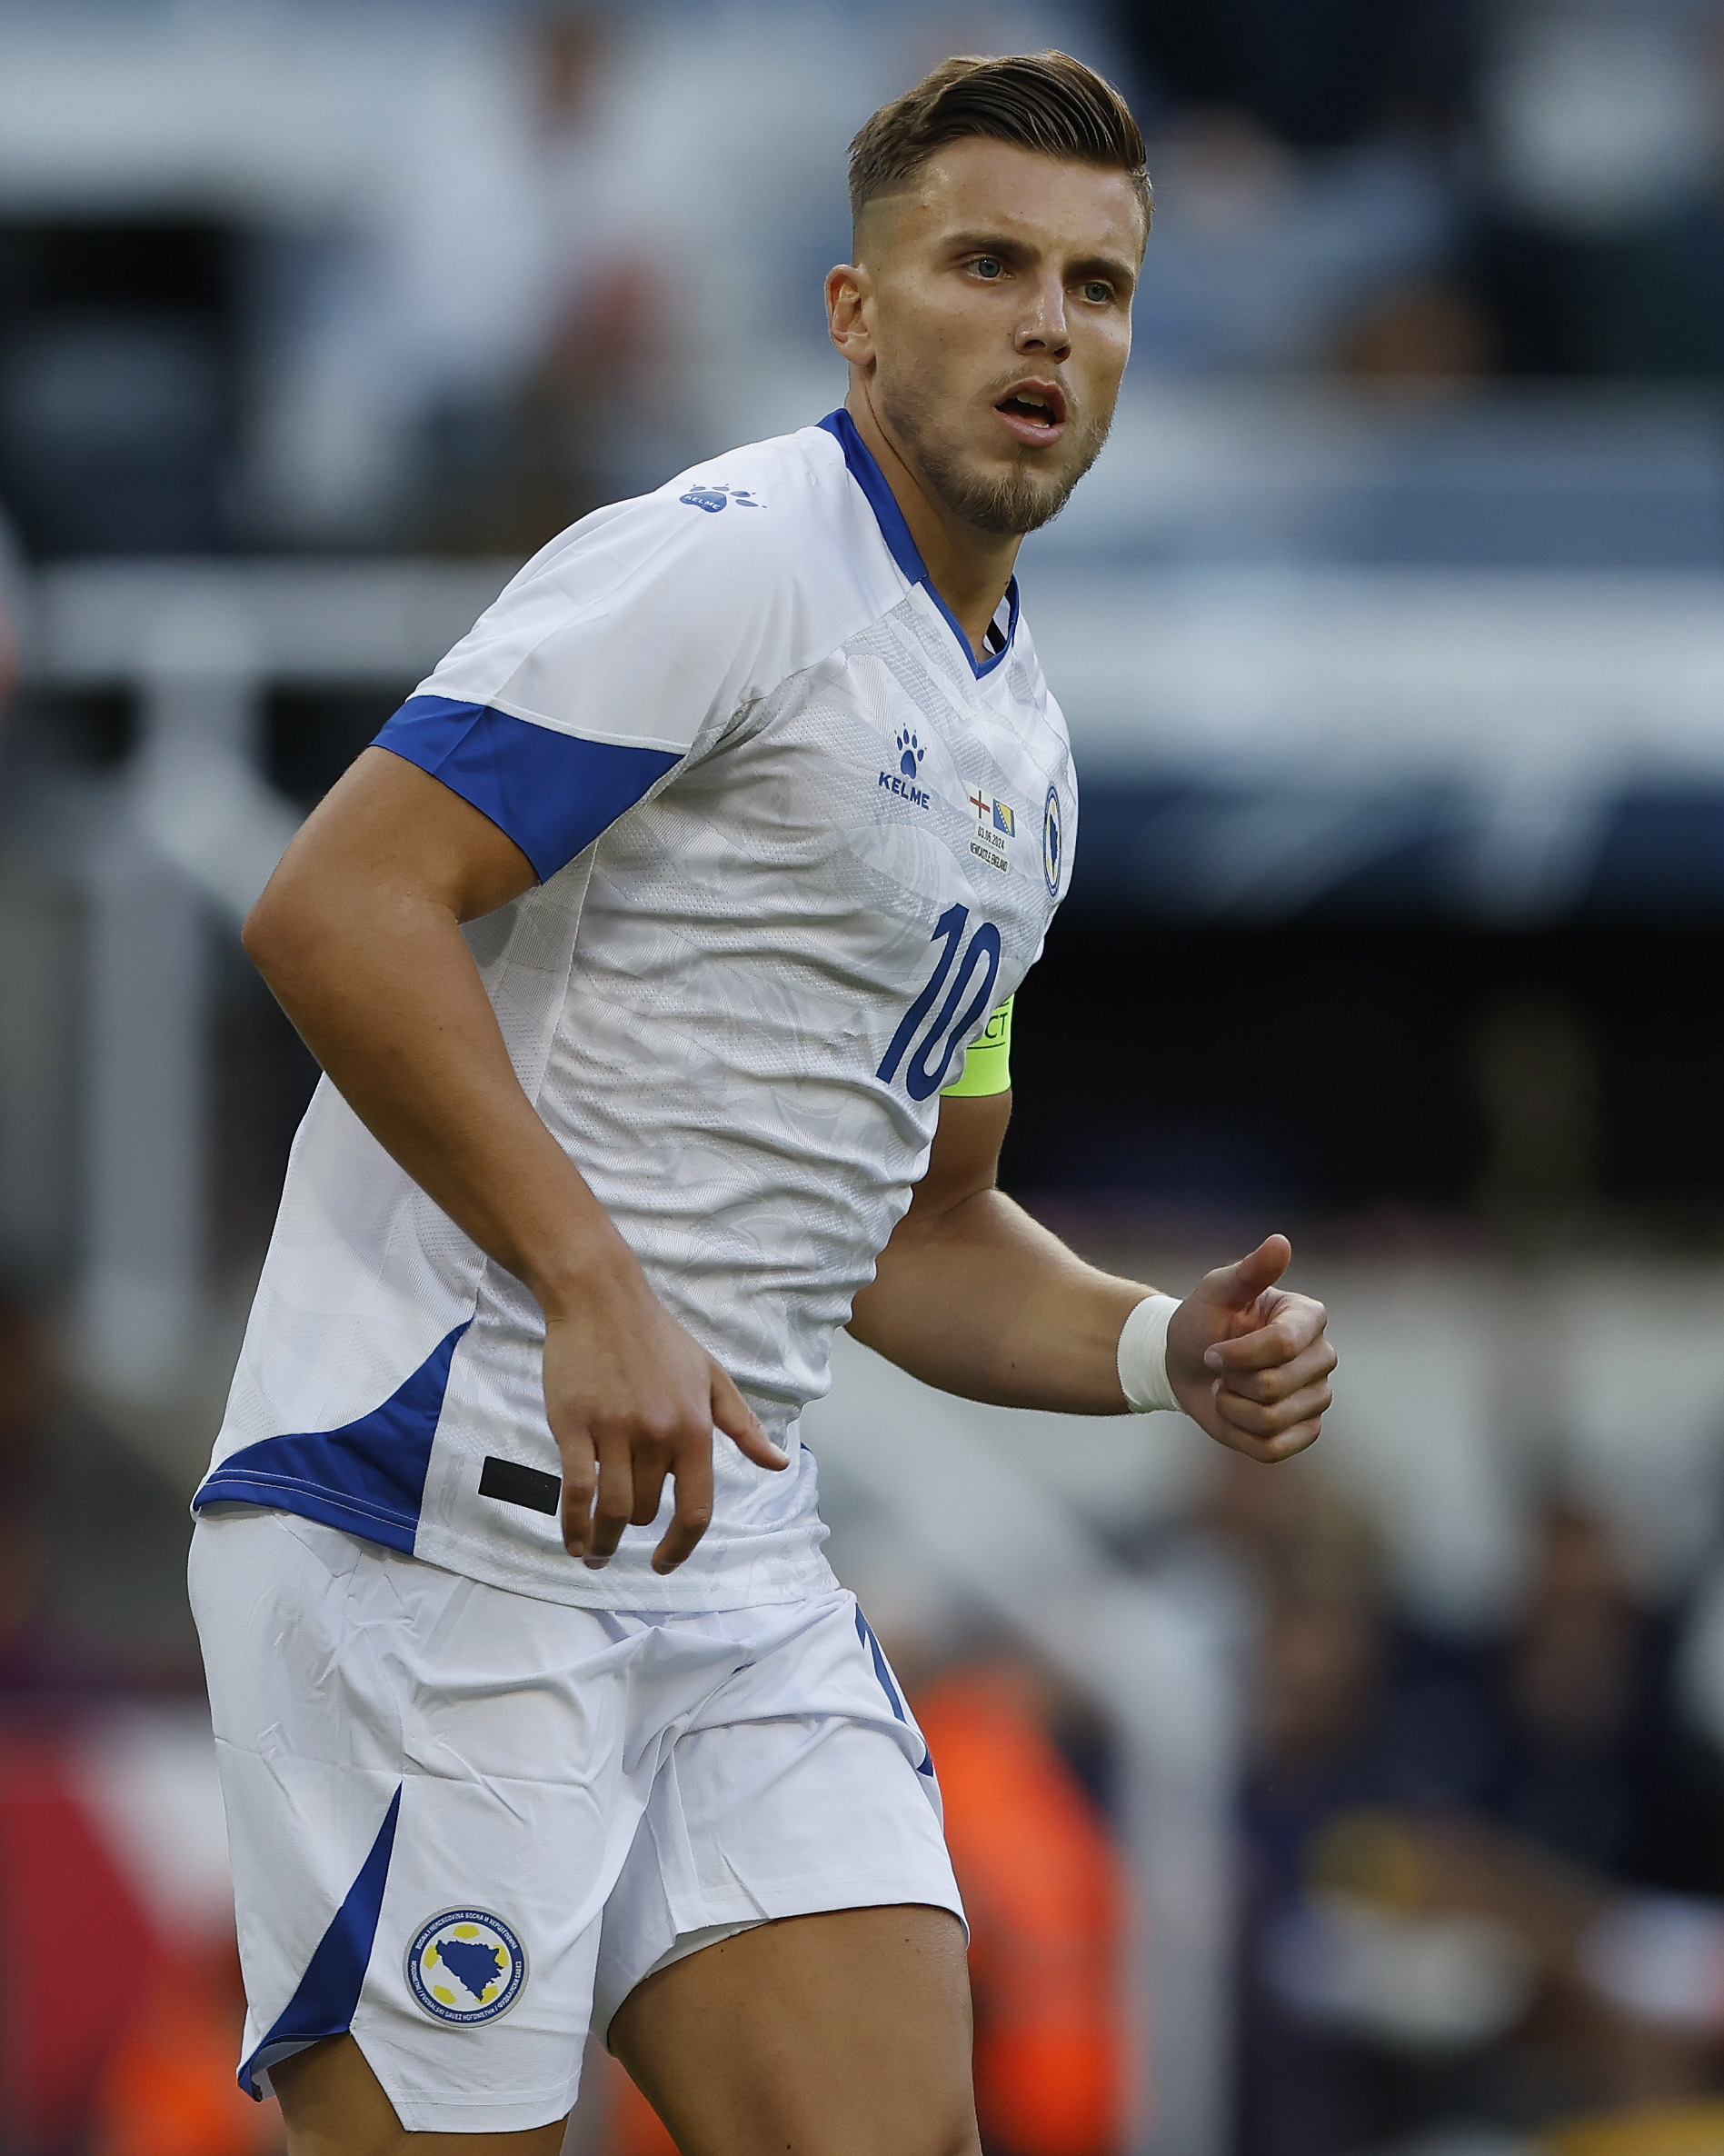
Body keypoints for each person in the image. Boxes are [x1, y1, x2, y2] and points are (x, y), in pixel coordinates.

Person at [188, 50, 1336, 2156]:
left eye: (1097, 284)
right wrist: (587, 1273)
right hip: (428, 1524)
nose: (1045, 327)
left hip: (732, 1568)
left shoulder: (1026, 755)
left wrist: (1168, 1349)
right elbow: (338, 903)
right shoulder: (720, 563)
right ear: (857, 308)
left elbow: (914, 1225)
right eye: (986, 264)